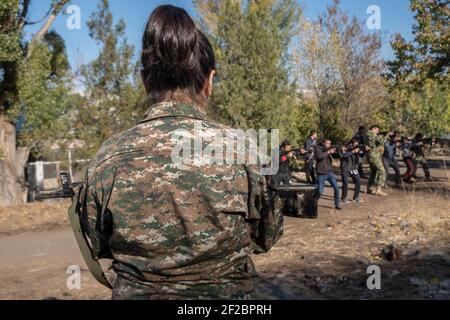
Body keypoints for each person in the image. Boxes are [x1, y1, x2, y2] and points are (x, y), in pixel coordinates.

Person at [79, 5, 283, 300]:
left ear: (144, 80)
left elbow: (97, 243)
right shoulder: (244, 150)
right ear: (209, 81)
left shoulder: (108, 156)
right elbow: (268, 237)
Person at [315, 139, 342, 210]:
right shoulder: (318, 148)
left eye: (330, 144)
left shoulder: (329, 150)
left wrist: (339, 151)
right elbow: (319, 157)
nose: (329, 145)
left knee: (336, 188)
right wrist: (328, 152)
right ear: (323, 143)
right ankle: (314, 203)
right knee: (320, 191)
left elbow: (338, 157)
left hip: (330, 172)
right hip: (321, 173)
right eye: (327, 143)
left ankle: (337, 204)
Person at [366, 125, 387, 196]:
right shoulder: (372, 135)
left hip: (370, 156)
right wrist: (385, 136)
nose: (378, 132)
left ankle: (368, 188)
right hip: (374, 156)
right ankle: (378, 189)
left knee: (374, 172)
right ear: (373, 129)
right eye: (377, 130)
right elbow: (382, 142)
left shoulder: (367, 135)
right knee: (382, 171)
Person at [340, 139, 363, 204]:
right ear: (351, 144)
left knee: (358, 181)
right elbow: (343, 155)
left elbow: (360, 157)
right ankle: (344, 198)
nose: (356, 145)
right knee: (345, 183)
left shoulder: (356, 149)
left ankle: (356, 197)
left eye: (357, 144)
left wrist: (362, 151)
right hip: (345, 168)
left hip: (353, 168)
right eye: (355, 144)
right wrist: (353, 151)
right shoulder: (344, 148)